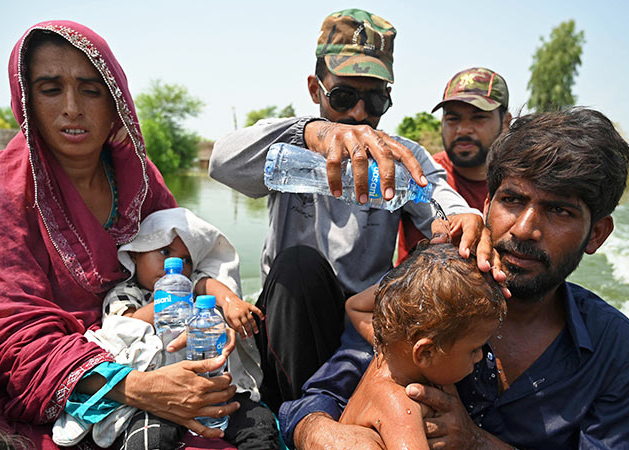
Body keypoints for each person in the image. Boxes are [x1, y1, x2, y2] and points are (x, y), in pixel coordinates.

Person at [280, 107, 629, 450]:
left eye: (559, 211)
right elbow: (313, 402)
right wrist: (322, 434)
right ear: (487, 204)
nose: (524, 229)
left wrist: (476, 442)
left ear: (597, 234)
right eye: (512, 201)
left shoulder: (612, 347)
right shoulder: (429, 294)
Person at [209, 8, 497, 414]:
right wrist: (316, 132)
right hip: (294, 320)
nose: (359, 114)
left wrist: (465, 218)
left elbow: (439, 200)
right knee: (298, 266)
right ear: (316, 89)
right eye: (344, 97)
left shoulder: (400, 155)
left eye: (375, 99)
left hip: (364, 321)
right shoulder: (290, 142)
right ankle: (295, 415)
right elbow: (221, 162)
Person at [0, 21, 238, 449]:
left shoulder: (141, 180)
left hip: (154, 355)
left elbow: (189, 265)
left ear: (116, 102)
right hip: (57, 395)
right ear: (26, 100)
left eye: (91, 90)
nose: (72, 108)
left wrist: (216, 316)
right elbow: (11, 339)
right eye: (50, 88)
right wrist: (136, 388)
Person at [53, 207, 277, 450]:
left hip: (208, 384)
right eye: (164, 252)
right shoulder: (126, 294)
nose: (176, 265)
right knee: (149, 438)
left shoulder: (191, 286)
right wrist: (170, 301)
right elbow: (126, 326)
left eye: (186, 260)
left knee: (259, 425)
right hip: (159, 395)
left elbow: (209, 285)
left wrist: (230, 303)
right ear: (136, 255)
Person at [341, 243, 505, 449]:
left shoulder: (392, 349)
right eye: (474, 350)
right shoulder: (399, 406)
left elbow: (355, 306)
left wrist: (410, 285)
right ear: (426, 353)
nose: (481, 357)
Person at [397, 67, 512, 264]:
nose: (463, 129)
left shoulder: (519, 184)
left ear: (505, 122)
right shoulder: (418, 174)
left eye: (479, 117)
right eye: (452, 118)